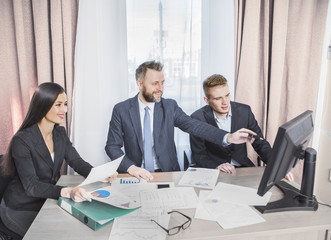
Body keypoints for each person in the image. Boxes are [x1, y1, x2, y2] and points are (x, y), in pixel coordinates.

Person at [105, 60, 257, 181]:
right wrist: (131, 167)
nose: (160, 88)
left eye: (162, 82)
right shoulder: (121, 110)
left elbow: (194, 126)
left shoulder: (169, 106)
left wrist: (228, 137)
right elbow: (112, 146)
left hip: (167, 173)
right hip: (134, 174)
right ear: (140, 84)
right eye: (155, 84)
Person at [0, 82, 117, 237]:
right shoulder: (22, 140)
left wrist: (100, 173)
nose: (64, 110)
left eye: (66, 104)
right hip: (21, 207)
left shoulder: (60, 134)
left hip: (46, 200)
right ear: (43, 105)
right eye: (58, 105)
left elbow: (77, 162)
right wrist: (66, 191)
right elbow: (31, 186)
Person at [190, 74, 272, 174]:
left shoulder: (244, 111)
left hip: (243, 168)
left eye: (227, 95)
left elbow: (259, 143)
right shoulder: (197, 118)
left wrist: (277, 166)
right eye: (218, 98)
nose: (225, 102)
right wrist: (216, 166)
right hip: (216, 171)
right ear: (207, 100)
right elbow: (198, 155)